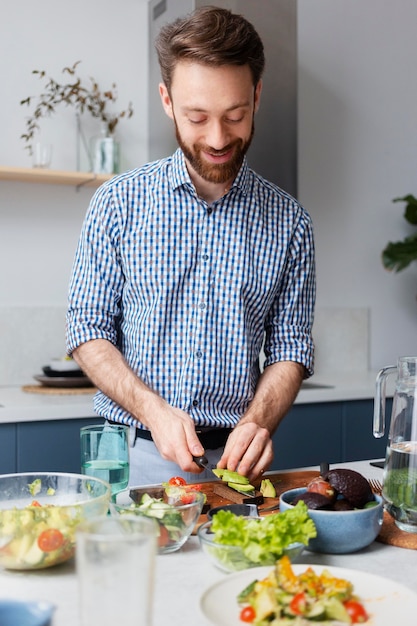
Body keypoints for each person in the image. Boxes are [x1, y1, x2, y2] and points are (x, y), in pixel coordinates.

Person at [66, 6, 316, 486]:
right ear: (166, 99)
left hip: (234, 465)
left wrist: (258, 421)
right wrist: (154, 411)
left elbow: (290, 347)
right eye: (197, 117)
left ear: (257, 96)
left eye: (235, 115)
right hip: (130, 454)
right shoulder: (117, 203)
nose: (218, 138)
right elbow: (86, 327)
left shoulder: (291, 223)